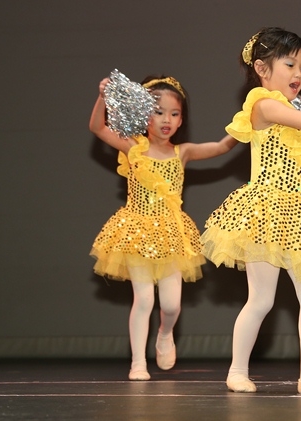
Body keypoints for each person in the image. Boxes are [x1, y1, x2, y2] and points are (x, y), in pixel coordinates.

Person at [201, 28, 301, 396]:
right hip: (267, 215)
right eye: (290, 64)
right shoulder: (263, 105)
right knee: (261, 299)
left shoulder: (294, 115)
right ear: (261, 68)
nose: (299, 73)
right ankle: (237, 371)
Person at [89, 75, 237, 381]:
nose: (166, 119)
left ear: (181, 120)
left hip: (172, 236)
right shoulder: (132, 147)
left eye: (174, 113)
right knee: (143, 299)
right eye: (158, 112)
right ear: (144, 114)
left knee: (171, 305)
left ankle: (165, 333)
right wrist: (103, 96)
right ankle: (138, 363)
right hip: (136, 233)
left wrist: (250, 121)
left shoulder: (183, 153)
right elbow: (98, 128)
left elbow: (222, 146)